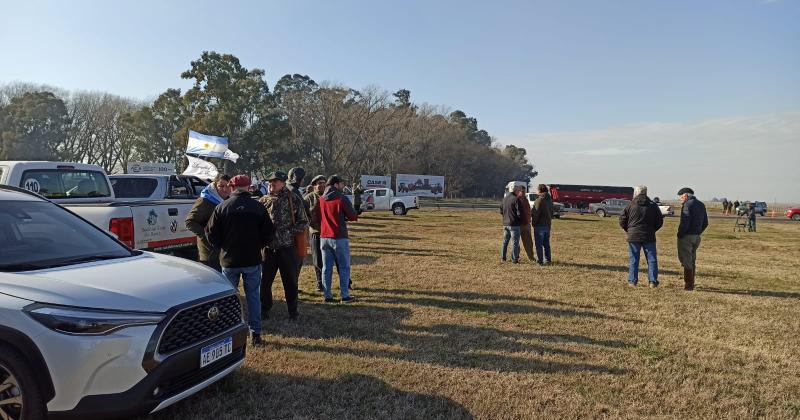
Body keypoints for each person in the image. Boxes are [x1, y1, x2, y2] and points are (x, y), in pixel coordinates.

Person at [206, 175, 274, 346]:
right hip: (252, 259)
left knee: (228, 299)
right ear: (249, 187)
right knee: (253, 297)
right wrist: (258, 245)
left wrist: (224, 246)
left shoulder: (222, 207)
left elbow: (210, 234)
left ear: (232, 187)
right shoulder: (258, 207)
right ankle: (255, 333)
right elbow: (269, 233)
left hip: (229, 260)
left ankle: (226, 330)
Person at [259, 171, 309, 320]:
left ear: (282, 183)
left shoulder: (293, 199)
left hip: (287, 248)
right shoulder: (263, 201)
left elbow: (304, 222)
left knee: (290, 282)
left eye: (274, 182)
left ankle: (293, 311)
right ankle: (264, 309)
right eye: (269, 182)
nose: (271, 184)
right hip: (268, 249)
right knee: (265, 282)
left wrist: (289, 232)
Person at [319, 175, 358, 302]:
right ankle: (345, 295)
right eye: (341, 184)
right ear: (336, 184)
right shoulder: (341, 198)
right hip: (339, 236)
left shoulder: (321, 199)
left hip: (324, 236)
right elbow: (352, 216)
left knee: (326, 268)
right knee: (344, 267)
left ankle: (327, 295)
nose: (342, 186)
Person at [619, 185, 664, 287]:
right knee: (652, 259)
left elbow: (622, 220)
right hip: (649, 235)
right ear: (646, 192)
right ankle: (652, 281)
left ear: (636, 193)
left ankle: (632, 281)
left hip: (633, 235)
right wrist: (652, 230)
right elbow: (660, 221)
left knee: (634, 259)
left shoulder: (630, 205)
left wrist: (629, 230)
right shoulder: (653, 205)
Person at [185, 174, 231, 271]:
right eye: (221, 186)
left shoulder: (227, 201)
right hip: (209, 254)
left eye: (228, 186)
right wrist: (208, 236)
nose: (225, 189)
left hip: (223, 252)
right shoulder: (205, 200)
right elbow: (190, 222)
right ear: (214, 186)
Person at [677, 187, 709, 291]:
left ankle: (688, 285)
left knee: (686, 260)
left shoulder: (687, 205)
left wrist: (680, 234)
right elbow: (705, 223)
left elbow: (685, 222)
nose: (680, 199)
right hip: (696, 236)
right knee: (692, 260)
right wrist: (698, 232)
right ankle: (692, 282)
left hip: (686, 236)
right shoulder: (701, 204)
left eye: (681, 197)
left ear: (685, 195)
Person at [287, 167, 311, 283]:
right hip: (296, 231)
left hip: (291, 230)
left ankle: (293, 284)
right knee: (296, 260)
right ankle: (293, 285)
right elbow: (304, 210)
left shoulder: (288, 188)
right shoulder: (293, 191)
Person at [304, 175, 327, 292]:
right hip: (316, 233)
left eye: (324, 182)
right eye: (319, 183)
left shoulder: (329, 196)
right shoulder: (308, 198)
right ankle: (320, 283)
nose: (322, 185)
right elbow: (303, 216)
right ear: (314, 185)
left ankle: (346, 281)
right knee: (318, 260)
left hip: (329, 234)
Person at [531, 184, 555, 265]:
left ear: (540, 190)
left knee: (539, 245)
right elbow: (552, 213)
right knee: (546, 244)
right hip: (548, 225)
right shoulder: (550, 200)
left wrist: (533, 223)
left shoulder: (539, 200)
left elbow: (535, 214)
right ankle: (548, 260)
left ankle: (540, 261)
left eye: (537, 189)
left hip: (539, 225)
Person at [500, 185, 523, 263]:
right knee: (515, 243)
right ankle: (514, 259)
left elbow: (501, 211)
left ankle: (503, 258)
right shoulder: (516, 199)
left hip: (505, 223)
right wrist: (520, 220)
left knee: (505, 241)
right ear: (515, 190)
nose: (520, 191)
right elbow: (520, 213)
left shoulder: (504, 199)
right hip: (514, 224)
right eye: (519, 190)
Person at [517, 189, 535, 261]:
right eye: (522, 191)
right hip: (519, 224)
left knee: (529, 242)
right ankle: (516, 257)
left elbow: (528, 210)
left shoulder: (526, 199)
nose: (524, 193)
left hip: (527, 224)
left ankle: (531, 257)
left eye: (525, 191)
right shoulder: (516, 199)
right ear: (519, 191)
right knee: (516, 242)